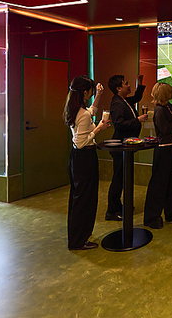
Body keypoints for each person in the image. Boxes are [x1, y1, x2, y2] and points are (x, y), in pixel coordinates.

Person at [63, 75, 111, 250]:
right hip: (84, 158)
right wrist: (99, 128)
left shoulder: (76, 109)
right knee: (85, 201)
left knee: (79, 199)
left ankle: (78, 238)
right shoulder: (82, 114)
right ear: (84, 92)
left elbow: (91, 112)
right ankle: (79, 240)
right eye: (91, 90)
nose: (91, 93)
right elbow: (81, 142)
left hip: (78, 159)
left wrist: (99, 95)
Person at [105, 74, 147, 221]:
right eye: (126, 83)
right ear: (118, 88)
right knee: (118, 179)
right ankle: (112, 211)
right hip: (120, 147)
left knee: (122, 178)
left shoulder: (124, 100)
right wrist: (137, 120)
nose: (129, 86)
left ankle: (119, 206)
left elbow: (137, 97)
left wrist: (139, 83)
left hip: (125, 147)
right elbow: (119, 125)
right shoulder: (117, 104)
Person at [143, 83, 172, 229]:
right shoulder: (160, 111)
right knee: (159, 185)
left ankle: (171, 211)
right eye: (170, 92)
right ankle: (152, 216)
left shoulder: (167, 107)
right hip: (164, 151)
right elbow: (166, 130)